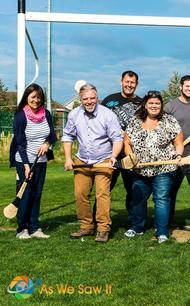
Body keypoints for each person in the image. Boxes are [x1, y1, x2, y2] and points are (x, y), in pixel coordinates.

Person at [62, 83, 123, 243]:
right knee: (80, 194)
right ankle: (86, 226)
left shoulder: (108, 115)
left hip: (103, 161)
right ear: (80, 99)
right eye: (85, 99)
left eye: (92, 98)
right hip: (82, 161)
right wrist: (68, 158)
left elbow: (117, 138)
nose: (89, 101)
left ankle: (103, 228)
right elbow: (67, 136)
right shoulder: (74, 115)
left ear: (97, 97)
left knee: (102, 194)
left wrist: (114, 156)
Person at [124, 91, 183, 243]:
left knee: (162, 199)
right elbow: (127, 143)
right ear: (145, 104)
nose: (154, 106)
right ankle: (137, 227)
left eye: (157, 103)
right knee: (137, 198)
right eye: (151, 103)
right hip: (140, 169)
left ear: (161, 105)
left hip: (164, 169)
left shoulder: (169, 120)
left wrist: (178, 156)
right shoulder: (135, 121)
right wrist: (131, 157)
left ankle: (162, 231)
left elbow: (178, 143)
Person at [10, 83, 57, 239]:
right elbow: (19, 144)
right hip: (23, 160)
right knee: (27, 193)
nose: (36, 100)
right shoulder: (20, 116)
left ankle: (35, 227)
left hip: (41, 161)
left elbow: (52, 136)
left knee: (37, 193)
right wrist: (25, 166)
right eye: (33, 97)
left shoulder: (47, 114)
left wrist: (47, 144)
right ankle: (21, 229)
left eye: (39, 97)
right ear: (27, 97)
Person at [101, 70, 142, 237]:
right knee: (105, 187)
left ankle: (134, 222)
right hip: (110, 152)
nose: (129, 85)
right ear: (121, 81)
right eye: (127, 81)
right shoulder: (109, 100)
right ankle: (100, 220)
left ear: (136, 84)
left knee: (133, 189)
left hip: (130, 153)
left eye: (132, 83)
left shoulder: (141, 103)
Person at [164, 75, 190, 229]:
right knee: (170, 191)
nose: (189, 89)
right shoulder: (170, 106)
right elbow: (163, 128)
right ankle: (167, 222)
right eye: (187, 86)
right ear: (181, 87)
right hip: (174, 156)